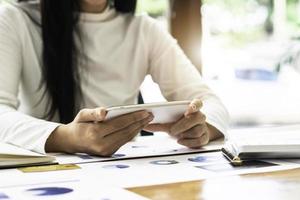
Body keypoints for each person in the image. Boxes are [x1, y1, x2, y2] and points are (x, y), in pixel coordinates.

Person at [0, 0, 229, 156]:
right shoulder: (14, 19)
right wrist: (67, 137)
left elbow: (210, 103)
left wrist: (201, 128)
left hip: (122, 173)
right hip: (43, 175)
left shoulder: (143, 30)